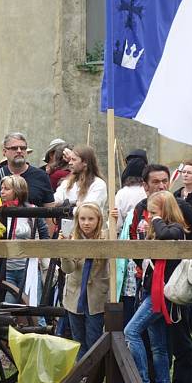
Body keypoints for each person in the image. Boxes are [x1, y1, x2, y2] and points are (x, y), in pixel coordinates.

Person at [122, 164, 192, 383]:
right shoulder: (144, 216)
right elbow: (137, 250)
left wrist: (155, 219)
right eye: (156, 182)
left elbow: (169, 234)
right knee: (158, 346)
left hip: (165, 292)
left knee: (132, 332)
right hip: (151, 288)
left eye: (155, 210)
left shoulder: (175, 226)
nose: (162, 186)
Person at [61, 202, 109, 360]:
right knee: (78, 338)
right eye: (82, 219)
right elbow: (68, 269)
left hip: (96, 297)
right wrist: (64, 250)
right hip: (75, 296)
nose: (86, 223)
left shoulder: (106, 237)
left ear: (98, 220)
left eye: (90, 219)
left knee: (93, 337)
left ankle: (93, 376)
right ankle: (81, 375)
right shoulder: (73, 238)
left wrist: (115, 216)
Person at [0, 175, 48, 308]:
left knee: (34, 310)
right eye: (1, 188)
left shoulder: (33, 210)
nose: (2, 191)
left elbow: (44, 236)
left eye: (6, 189)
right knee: (8, 310)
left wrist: (40, 256)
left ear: (18, 191)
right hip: (6, 270)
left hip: (29, 268)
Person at [53, 145, 108, 209]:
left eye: (74, 160)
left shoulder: (98, 184)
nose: (70, 163)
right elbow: (54, 201)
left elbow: (88, 209)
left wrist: (68, 206)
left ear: (85, 162)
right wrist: (74, 203)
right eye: (70, 159)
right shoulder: (66, 183)